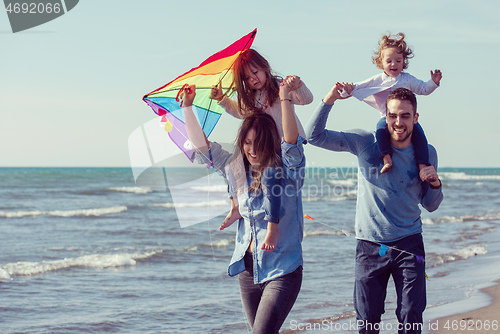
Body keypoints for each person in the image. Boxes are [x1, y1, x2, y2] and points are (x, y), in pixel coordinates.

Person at [306, 85, 443, 334]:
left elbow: (431, 205)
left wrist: (434, 182)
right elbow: (314, 136)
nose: (398, 122)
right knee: (367, 323)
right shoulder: (365, 143)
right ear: (385, 116)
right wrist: (329, 99)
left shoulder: (427, 153)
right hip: (369, 247)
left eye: (405, 116)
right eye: (392, 116)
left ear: (416, 118)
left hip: (410, 245)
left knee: (412, 318)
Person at [181, 81, 306, 333]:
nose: (251, 149)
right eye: (247, 143)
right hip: (247, 270)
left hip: (283, 269)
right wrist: (187, 107)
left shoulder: (288, 170)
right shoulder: (236, 170)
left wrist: (285, 99)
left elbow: (292, 141)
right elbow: (202, 149)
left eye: (257, 143)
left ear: (270, 141)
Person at [210, 49, 313, 251]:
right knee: (233, 166)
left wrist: (298, 86)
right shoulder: (252, 97)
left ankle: (272, 224)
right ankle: (235, 207)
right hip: (263, 149)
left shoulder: (280, 86)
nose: (253, 79)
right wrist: (222, 99)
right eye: (247, 78)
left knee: (271, 179)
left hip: (286, 149)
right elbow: (239, 112)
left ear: (265, 67)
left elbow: (306, 99)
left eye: (255, 72)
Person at [340, 33, 442, 174]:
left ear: (403, 62)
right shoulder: (378, 80)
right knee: (380, 131)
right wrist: (346, 90)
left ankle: (423, 166)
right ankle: (387, 159)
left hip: (407, 119)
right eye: (389, 61)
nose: (393, 64)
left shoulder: (408, 79)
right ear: (381, 62)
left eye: (398, 61)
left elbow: (423, 89)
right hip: (386, 117)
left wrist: (434, 82)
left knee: (420, 137)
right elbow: (358, 88)